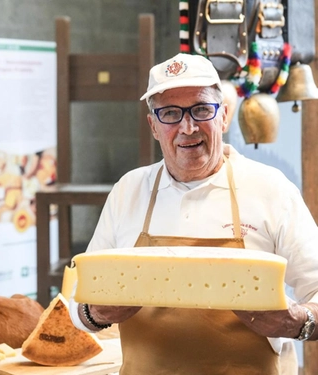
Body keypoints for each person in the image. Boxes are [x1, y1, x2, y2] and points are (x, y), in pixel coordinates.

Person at [69, 53, 318, 374]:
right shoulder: (128, 191)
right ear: (153, 126)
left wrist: (295, 322)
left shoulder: (271, 189)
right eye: (170, 113)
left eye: (201, 109)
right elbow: (77, 302)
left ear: (224, 116)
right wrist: (97, 313)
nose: (188, 128)